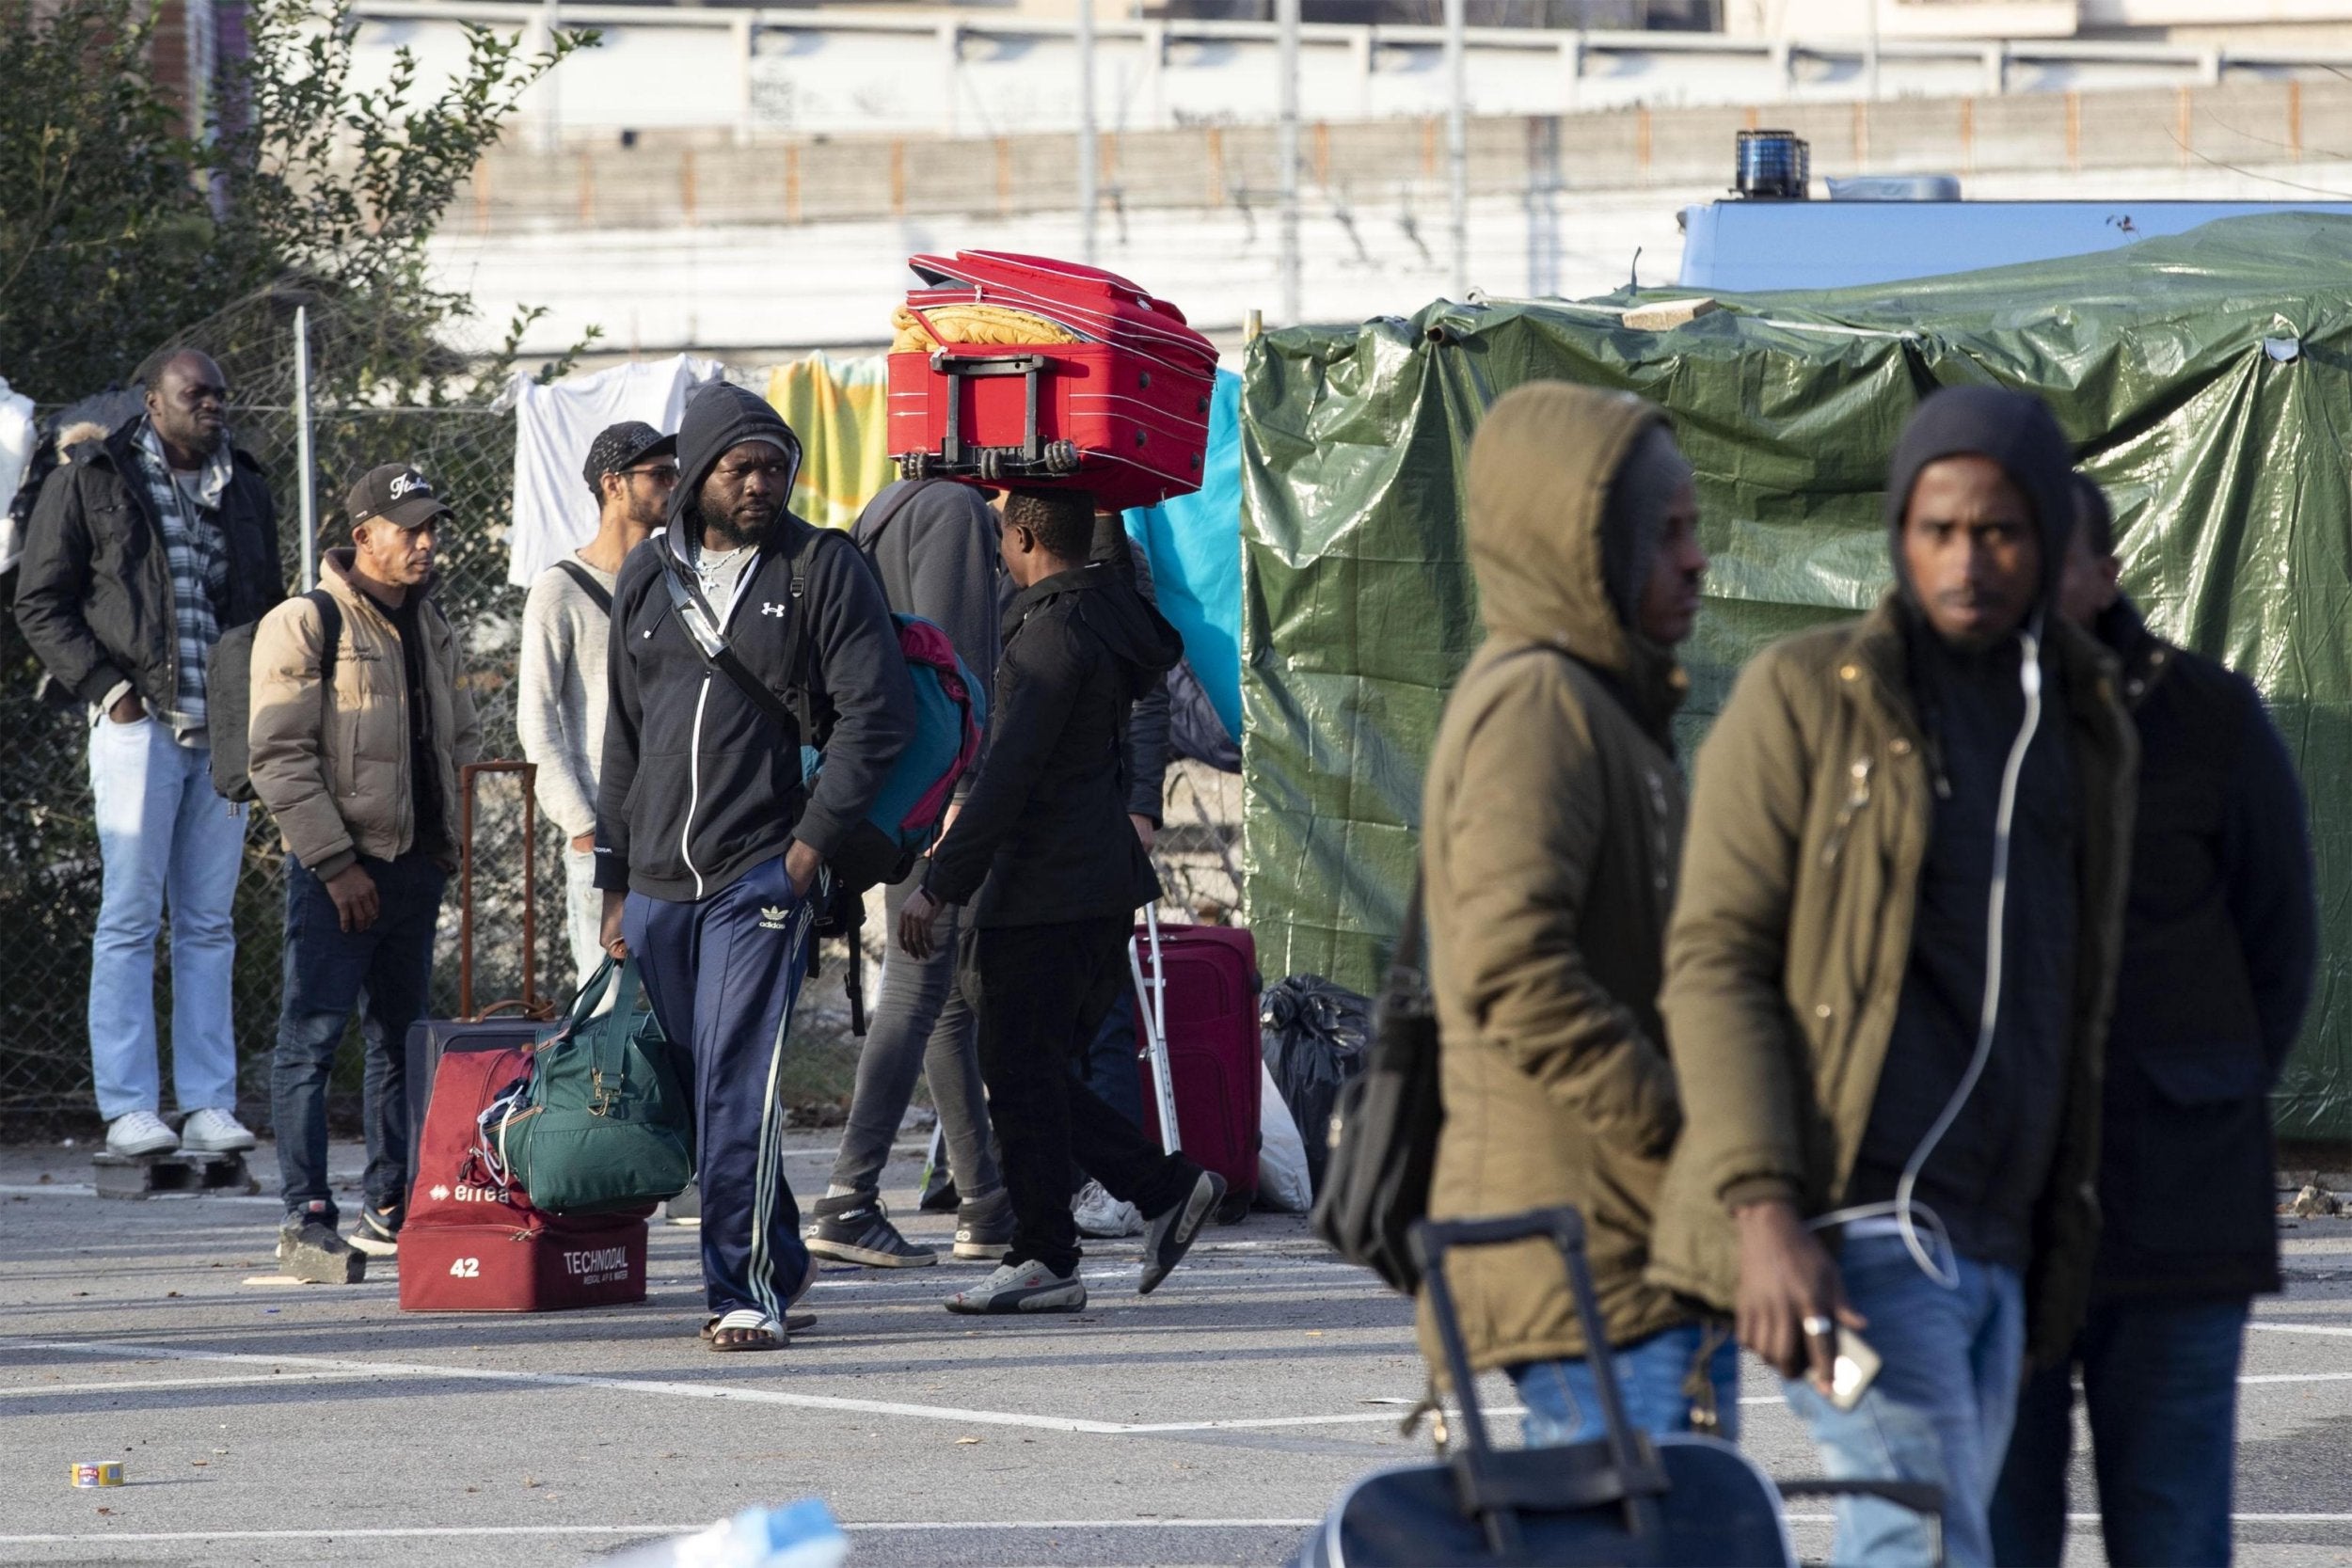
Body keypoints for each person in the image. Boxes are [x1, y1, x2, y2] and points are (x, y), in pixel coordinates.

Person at [1649, 386, 2137, 1568]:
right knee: (1921, 1545)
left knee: (1936, 1536)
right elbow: (1713, 961)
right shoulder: (1805, 695)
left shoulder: (2079, 724)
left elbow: (2075, 996)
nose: (1967, 558)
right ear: (1898, 533)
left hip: (1999, 1240)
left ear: (2049, 537)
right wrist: (1764, 1212)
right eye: (1937, 528)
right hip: (1851, 1227)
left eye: (2000, 530)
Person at [1989, 477, 2316, 1568]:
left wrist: (2198, 1089)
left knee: (2174, 1526)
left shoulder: (2208, 716)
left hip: (2178, 1214)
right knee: (1997, 1528)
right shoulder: (1948, 720)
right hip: (1995, 1220)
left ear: (2104, 573)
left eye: (2044, 559)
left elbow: (2280, 948)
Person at [1416, 382, 1727, 1443]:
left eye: (1697, 529)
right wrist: (1678, 1119)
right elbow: (1512, 968)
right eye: (1665, 534)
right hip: (1588, 1250)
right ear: (1582, 544)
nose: (1695, 560)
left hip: (1637, 1243)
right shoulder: (1538, 705)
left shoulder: (1608, 703)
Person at [596, 380, 915, 1353]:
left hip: (759, 873)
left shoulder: (822, 566)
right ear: (695, 471)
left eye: (777, 465)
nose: (762, 483)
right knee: (700, 1087)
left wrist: (807, 849)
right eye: (741, 466)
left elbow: (879, 715)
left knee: (740, 1079)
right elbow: (622, 734)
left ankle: (744, 1286)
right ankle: (778, 1243)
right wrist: (613, 878)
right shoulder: (648, 576)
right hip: (656, 883)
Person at [899, 487, 1222, 1315]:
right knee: (1034, 1071)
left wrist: (940, 884)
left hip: (1043, 887)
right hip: (1099, 882)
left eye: (1004, 535)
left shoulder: (1049, 634)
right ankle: (1093, 1227)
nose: (998, 553)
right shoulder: (1111, 612)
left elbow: (1008, 777)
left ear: (1027, 536)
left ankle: (1079, 1232)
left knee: (1019, 1069)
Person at [14, 350, 281, 1161]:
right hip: (139, 725)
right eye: (194, 395)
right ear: (152, 401)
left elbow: (266, 604)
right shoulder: (95, 476)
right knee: (130, 916)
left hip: (224, 734)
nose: (212, 406)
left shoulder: (247, 484)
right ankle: (129, 1104)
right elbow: (39, 598)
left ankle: (207, 1102)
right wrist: (107, 689)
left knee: (208, 923)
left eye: (220, 396)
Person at [248, 464, 481, 1280]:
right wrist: (337, 863)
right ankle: (306, 1217)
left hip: (415, 868)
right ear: (363, 536)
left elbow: (461, 739)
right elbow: (279, 757)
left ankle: (392, 1204)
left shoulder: (433, 621)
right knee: (310, 1041)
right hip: (338, 871)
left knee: (403, 1039)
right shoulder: (306, 622)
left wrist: (446, 843)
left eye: (431, 528)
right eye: (409, 528)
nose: (425, 543)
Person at [804, 477, 1014, 1270]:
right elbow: (956, 670)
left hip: (896, 788)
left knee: (940, 996)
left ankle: (986, 1202)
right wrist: (962, 793)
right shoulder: (956, 512)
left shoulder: (892, 501)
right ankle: (851, 1193)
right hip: (934, 795)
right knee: (921, 985)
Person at [517, 420, 675, 989]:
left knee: (673, 1003)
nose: (672, 486)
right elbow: (535, 719)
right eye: (659, 474)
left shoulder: (676, 581)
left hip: (676, 827)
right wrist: (584, 827)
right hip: (605, 830)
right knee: (606, 1001)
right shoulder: (558, 589)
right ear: (613, 485)